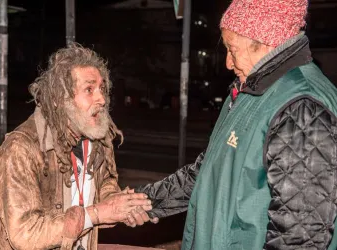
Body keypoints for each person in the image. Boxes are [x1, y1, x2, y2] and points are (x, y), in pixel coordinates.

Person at [135, 0, 337, 249]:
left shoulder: (301, 108)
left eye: (232, 49)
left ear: (264, 43)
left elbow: (301, 236)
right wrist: (145, 202)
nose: (227, 63)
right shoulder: (252, 91)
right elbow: (210, 170)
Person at [0, 44, 154, 250]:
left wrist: (119, 205)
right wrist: (98, 213)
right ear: (60, 99)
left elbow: (105, 184)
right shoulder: (21, 149)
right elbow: (24, 233)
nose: (101, 99)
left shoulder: (97, 139)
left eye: (102, 88)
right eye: (89, 89)